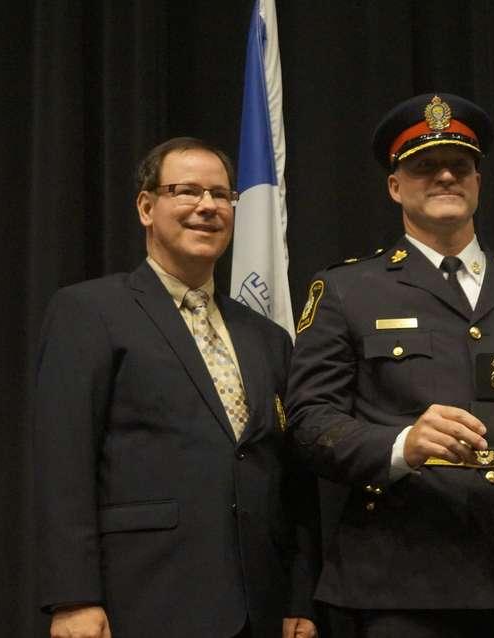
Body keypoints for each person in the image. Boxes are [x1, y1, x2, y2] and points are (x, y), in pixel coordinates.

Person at [285, 93, 494, 637]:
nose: (444, 177)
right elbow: (309, 422)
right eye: (423, 167)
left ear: (478, 182)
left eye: (459, 166)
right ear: (395, 186)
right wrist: (401, 445)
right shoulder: (346, 290)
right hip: (403, 575)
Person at [33, 137, 319, 638]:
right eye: (186, 191)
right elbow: (64, 464)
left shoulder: (268, 338)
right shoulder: (90, 312)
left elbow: (291, 478)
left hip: (260, 606)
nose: (207, 207)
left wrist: (299, 598)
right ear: (146, 206)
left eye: (221, 195)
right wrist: (73, 597)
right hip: (142, 600)